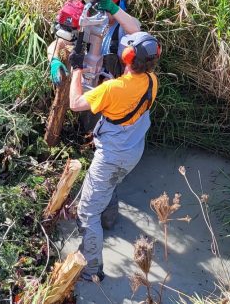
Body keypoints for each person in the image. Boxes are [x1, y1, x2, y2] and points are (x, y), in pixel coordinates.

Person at [68, 31, 161, 282]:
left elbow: (75, 103)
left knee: (87, 213)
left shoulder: (112, 88)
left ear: (126, 56)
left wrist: (77, 69)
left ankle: (92, 269)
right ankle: (108, 220)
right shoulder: (152, 81)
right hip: (133, 150)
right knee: (110, 185)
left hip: (111, 157)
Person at [48, 0, 141, 86]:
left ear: (116, 0)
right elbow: (58, 43)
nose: (97, 2)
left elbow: (137, 32)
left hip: (110, 89)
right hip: (83, 83)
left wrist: (113, 8)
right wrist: (54, 60)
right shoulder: (90, 22)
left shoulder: (124, 26)